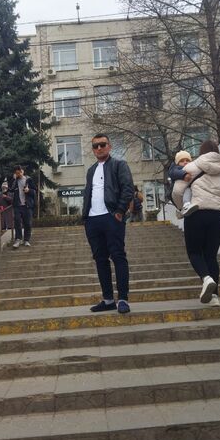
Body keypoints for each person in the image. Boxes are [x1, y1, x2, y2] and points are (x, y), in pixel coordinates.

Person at [82, 134, 134, 314]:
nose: (99, 148)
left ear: (109, 146)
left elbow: (128, 188)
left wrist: (119, 211)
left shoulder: (119, 165)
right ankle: (108, 300)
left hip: (112, 217)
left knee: (118, 256)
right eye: (95, 146)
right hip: (92, 220)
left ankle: (123, 299)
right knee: (100, 259)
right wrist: (85, 218)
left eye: (102, 144)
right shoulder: (91, 170)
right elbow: (89, 193)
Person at [180, 140, 220, 307]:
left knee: (194, 252)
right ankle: (214, 297)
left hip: (197, 213)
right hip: (219, 216)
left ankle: (206, 278)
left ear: (201, 152)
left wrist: (181, 207)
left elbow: (177, 190)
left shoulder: (192, 167)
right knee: (211, 256)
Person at [8, 165, 36, 248]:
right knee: (17, 222)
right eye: (17, 173)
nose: (19, 174)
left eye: (20, 172)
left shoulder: (29, 180)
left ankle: (26, 240)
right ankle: (18, 239)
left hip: (27, 205)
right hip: (17, 205)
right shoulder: (14, 181)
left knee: (28, 223)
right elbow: (10, 190)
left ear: (23, 171)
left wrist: (29, 190)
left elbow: (34, 191)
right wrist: (13, 179)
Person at [168, 150, 199, 218]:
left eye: (187, 160)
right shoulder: (176, 168)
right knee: (187, 190)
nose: (185, 162)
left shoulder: (192, 168)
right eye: (182, 161)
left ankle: (180, 211)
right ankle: (186, 204)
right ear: (177, 163)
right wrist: (184, 174)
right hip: (180, 190)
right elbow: (174, 172)